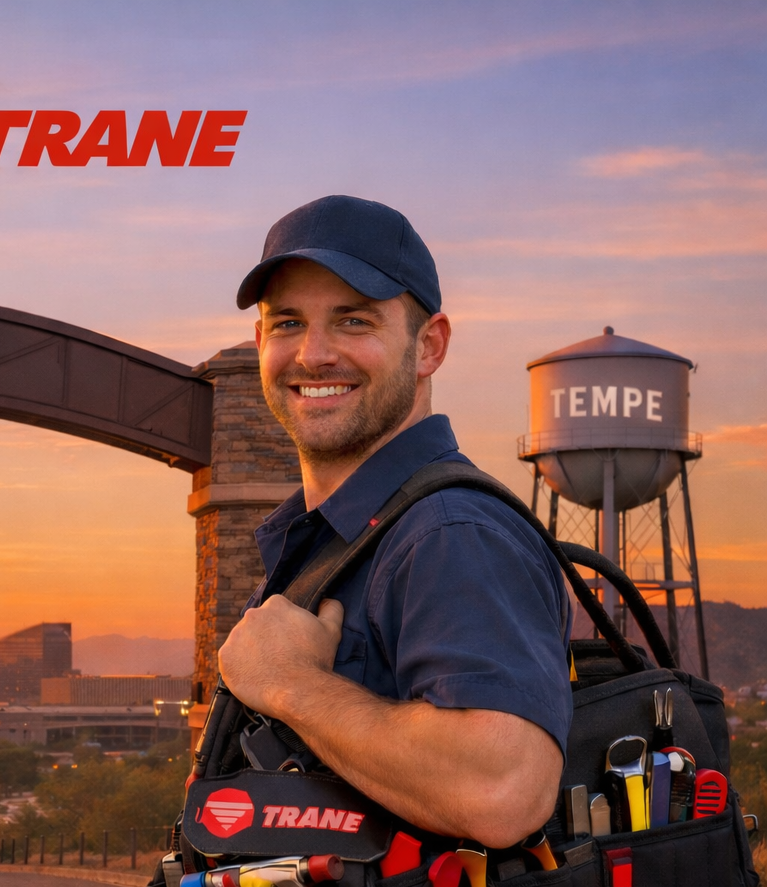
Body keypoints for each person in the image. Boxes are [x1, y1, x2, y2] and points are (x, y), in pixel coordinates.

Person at [217, 195, 570, 850]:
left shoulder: (449, 533)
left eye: (353, 322)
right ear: (261, 342)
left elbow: (503, 791)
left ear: (428, 346)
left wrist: (292, 686)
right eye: (288, 323)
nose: (314, 354)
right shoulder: (329, 536)